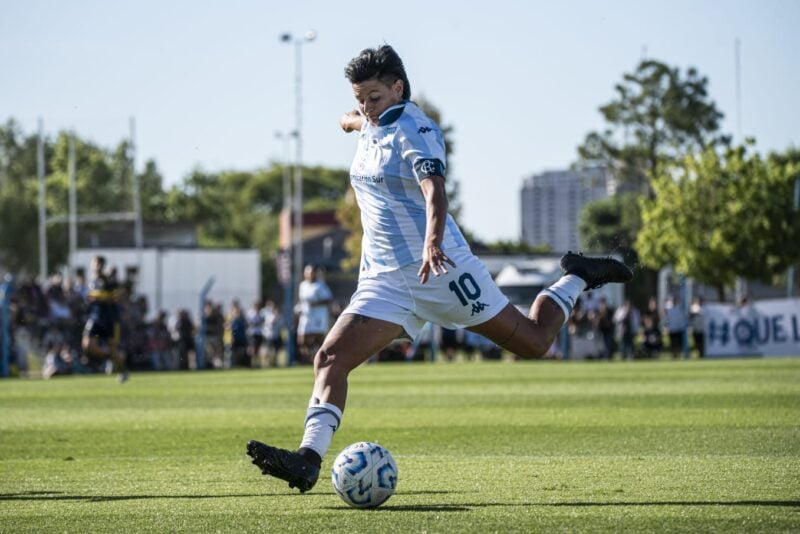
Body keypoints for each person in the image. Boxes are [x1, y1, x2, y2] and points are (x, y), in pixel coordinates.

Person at [246, 44, 633, 493]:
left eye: (374, 97)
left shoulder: (417, 130)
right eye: (360, 98)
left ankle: (579, 275)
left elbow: (434, 191)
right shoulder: (370, 121)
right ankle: (308, 460)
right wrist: (352, 119)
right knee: (330, 358)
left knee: (534, 342)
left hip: (441, 270)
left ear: (399, 87)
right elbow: (351, 121)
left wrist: (432, 239)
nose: (366, 108)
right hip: (386, 281)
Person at [81, 255, 127, 382]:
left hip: (109, 319)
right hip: (95, 318)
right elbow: (88, 297)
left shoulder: (108, 280)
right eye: (94, 264)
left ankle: (122, 370)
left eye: (98, 264)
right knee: (87, 345)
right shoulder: (91, 281)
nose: (96, 267)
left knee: (113, 349)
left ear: (102, 266)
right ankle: (108, 357)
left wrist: (100, 296)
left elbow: (117, 296)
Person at [295, 265, 333, 365]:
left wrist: (316, 303)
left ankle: (324, 358)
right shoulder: (303, 285)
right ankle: (310, 357)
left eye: (311, 272)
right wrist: (298, 308)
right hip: (306, 315)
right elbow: (302, 300)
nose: (309, 275)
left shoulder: (320, 285)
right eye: (307, 272)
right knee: (302, 339)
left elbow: (328, 300)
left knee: (318, 339)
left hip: (318, 316)